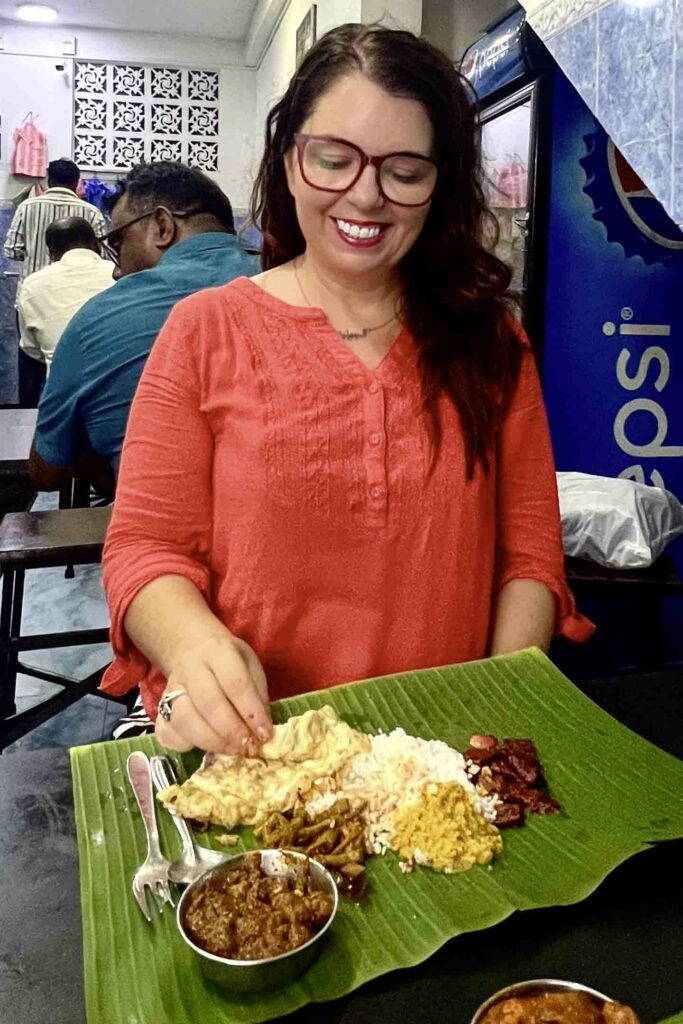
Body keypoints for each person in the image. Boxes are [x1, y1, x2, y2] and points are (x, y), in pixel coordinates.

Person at [100, 25, 594, 756]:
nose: (364, 196)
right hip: (262, 757)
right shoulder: (205, 331)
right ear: (291, 162)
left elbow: (527, 555)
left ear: (440, 183)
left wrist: (491, 717)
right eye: (333, 159)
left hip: (442, 758)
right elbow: (145, 548)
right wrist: (194, 645)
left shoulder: (489, 339)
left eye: (404, 170)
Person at [28, 160, 258, 493]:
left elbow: (46, 473)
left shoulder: (97, 320)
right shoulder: (300, 284)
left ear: (163, 227)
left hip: (166, 535)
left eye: (119, 243)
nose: (116, 271)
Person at [17, 217, 115, 373]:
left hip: (63, 389)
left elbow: (32, 349)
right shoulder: (119, 273)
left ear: (52, 254)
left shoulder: (33, 284)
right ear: (97, 245)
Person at [4, 158, 106, 282]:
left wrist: (34, 255)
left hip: (34, 288)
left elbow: (12, 250)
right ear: (76, 183)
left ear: (50, 181)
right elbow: (102, 254)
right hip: (74, 288)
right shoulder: (92, 212)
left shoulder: (26, 207)